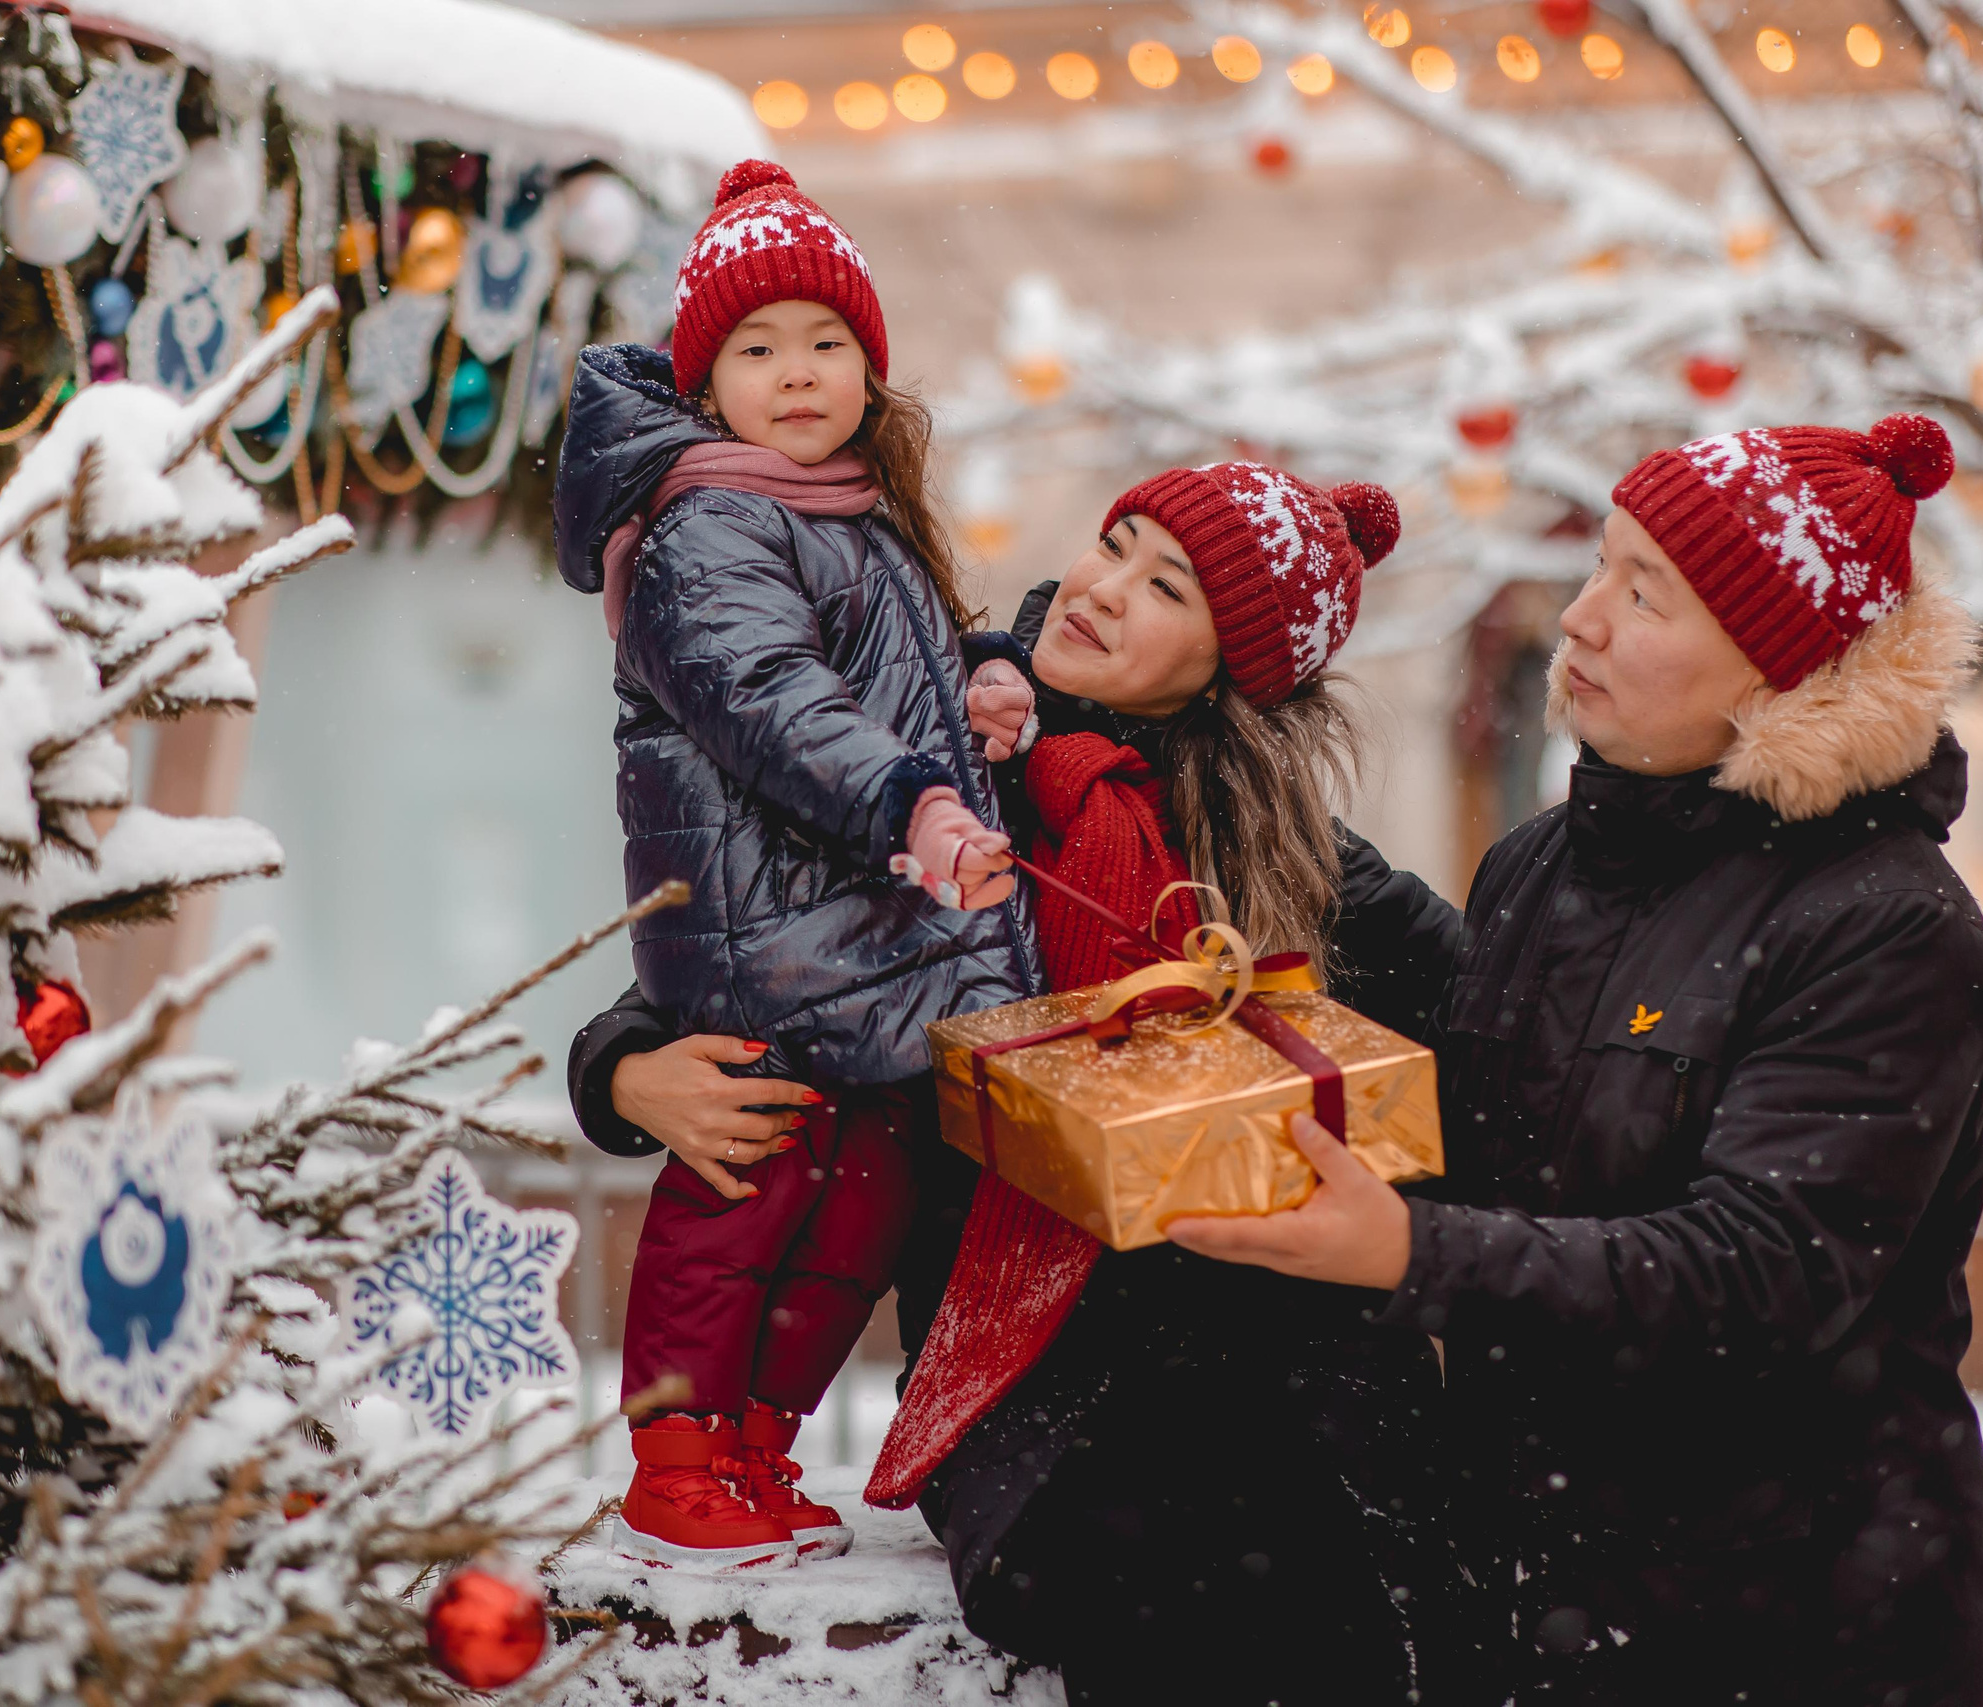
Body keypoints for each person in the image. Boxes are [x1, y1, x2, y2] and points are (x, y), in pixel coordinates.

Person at [572, 462, 1466, 1702]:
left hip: (1262, 1321)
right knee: (1139, 1557)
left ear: (1230, 672)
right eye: (1116, 542)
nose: (1104, 588)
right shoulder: (930, 770)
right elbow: (750, 940)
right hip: (1024, 1353)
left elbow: (1487, 1012)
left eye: (1169, 589)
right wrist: (623, 1068)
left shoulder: (1269, 840)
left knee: (1342, 1542)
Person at [1169, 414, 1983, 1706]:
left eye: (1644, 593)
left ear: (1779, 666)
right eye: (1600, 564)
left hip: (1780, 1624)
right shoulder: (1542, 862)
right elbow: (1499, 1117)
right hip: (1530, 1600)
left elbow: (1760, 1272)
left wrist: (1410, 1251)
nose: (1580, 617)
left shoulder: (1884, 922)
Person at [552, 159, 1034, 1573]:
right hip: (759, 928)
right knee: (747, 1188)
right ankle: (677, 1454)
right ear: (706, 385)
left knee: (862, 1195)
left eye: (827, 341)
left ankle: (756, 1436)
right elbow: (771, 698)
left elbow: (877, 667)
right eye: (757, 349)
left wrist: (974, 678)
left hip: (861, 935)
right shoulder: (711, 523)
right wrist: (915, 798)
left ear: (870, 369)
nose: (799, 371)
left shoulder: (849, 514)